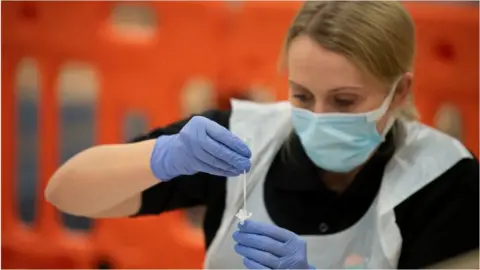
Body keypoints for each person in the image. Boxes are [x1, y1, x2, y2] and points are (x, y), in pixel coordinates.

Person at [45, 1, 479, 269]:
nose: (319, 117)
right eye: (302, 95)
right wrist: (162, 155)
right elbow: (67, 192)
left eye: (345, 101)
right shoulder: (246, 137)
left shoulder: (441, 179)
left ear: (399, 90)